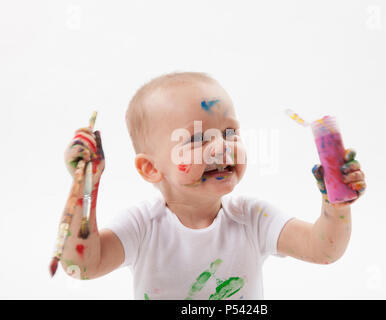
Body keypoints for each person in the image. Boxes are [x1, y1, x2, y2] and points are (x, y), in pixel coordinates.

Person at [59, 72, 366, 299]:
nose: (222, 147)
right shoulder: (143, 226)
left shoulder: (254, 218)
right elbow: (81, 267)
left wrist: (335, 203)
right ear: (151, 168)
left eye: (230, 132)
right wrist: (84, 186)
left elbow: (324, 250)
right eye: (196, 139)